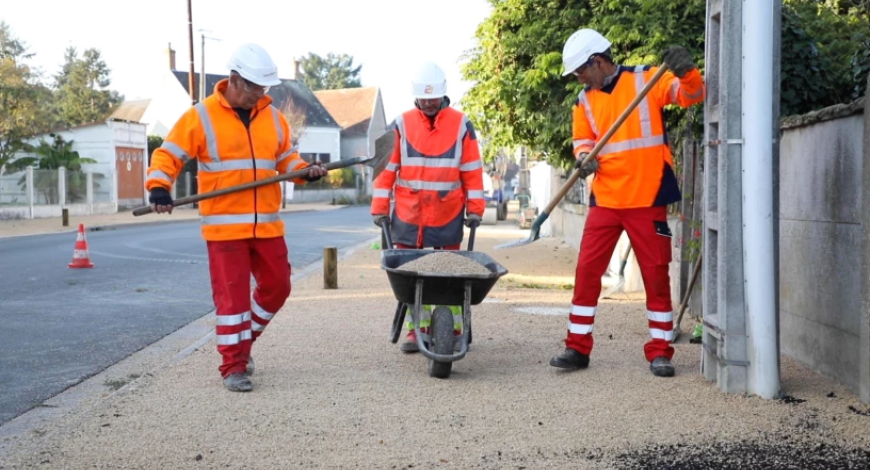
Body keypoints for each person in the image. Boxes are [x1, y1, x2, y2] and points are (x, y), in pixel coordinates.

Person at [145, 43, 328, 392]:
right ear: (234, 80)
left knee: (278, 286)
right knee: (233, 302)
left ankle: (244, 344)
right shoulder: (200, 116)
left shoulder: (272, 117)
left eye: (264, 89)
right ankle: (233, 366)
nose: (260, 95)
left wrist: (305, 172)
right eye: (255, 88)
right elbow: (168, 155)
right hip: (225, 228)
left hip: (267, 225)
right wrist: (158, 187)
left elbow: (286, 159)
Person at [549, 29, 705, 377]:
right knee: (588, 271)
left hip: (648, 197)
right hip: (605, 198)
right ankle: (577, 347)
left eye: (580, 70)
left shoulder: (647, 80)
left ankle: (660, 351)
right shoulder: (584, 100)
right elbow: (581, 140)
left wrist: (687, 72)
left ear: (599, 61)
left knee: (655, 275)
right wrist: (585, 156)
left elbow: (692, 95)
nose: (578, 78)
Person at [371, 62, 485, 353]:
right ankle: (416, 329)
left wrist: (475, 208)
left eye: (434, 98)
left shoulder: (461, 124)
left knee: (453, 275)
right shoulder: (400, 124)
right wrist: (380, 207)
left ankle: (456, 328)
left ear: (444, 95)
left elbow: (471, 170)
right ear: (416, 97)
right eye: (425, 98)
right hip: (409, 215)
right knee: (411, 276)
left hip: (447, 213)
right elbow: (386, 170)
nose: (430, 103)